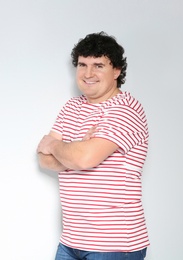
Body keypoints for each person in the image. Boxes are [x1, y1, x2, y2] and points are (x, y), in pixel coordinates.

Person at [37, 32, 150, 260]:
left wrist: (57, 145)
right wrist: (77, 149)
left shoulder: (125, 109)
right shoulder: (72, 107)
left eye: (98, 65)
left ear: (116, 70)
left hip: (114, 244)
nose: (88, 73)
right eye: (82, 64)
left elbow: (83, 159)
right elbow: (43, 159)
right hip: (71, 240)